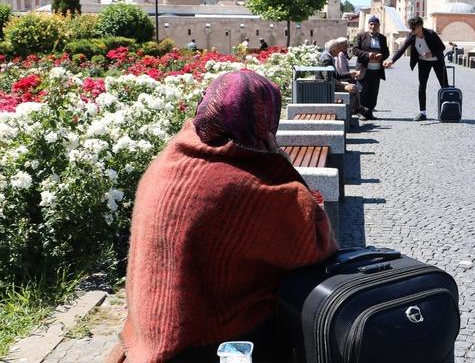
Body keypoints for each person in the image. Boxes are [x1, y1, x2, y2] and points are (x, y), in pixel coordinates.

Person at [107, 70, 337, 363]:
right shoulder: (243, 185)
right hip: (202, 340)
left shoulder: (173, 157)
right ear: (265, 120)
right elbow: (317, 242)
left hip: (149, 325)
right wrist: (281, 164)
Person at [383, 16, 448, 121]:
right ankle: (423, 113)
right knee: (422, 86)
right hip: (423, 62)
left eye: (413, 28)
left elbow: (442, 48)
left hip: (437, 62)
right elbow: (402, 49)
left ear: (420, 26)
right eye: (410, 28)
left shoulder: (431, 34)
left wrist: (432, 53)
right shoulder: (411, 36)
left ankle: (447, 111)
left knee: (444, 85)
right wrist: (392, 60)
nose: (411, 30)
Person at [352, 16, 389, 120]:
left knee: (373, 92)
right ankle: (361, 112)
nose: (373, 26)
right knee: (362, 91)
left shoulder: (383, 38)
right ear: (368, 25)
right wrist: (368, 55)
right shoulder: (361, 36)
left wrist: (381, 56)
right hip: (363, 69)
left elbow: (386, 52)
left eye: (375, 24)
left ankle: (369, 112)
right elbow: (355, 50)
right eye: (371, 24)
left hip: (376, 70)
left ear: (379, 26)